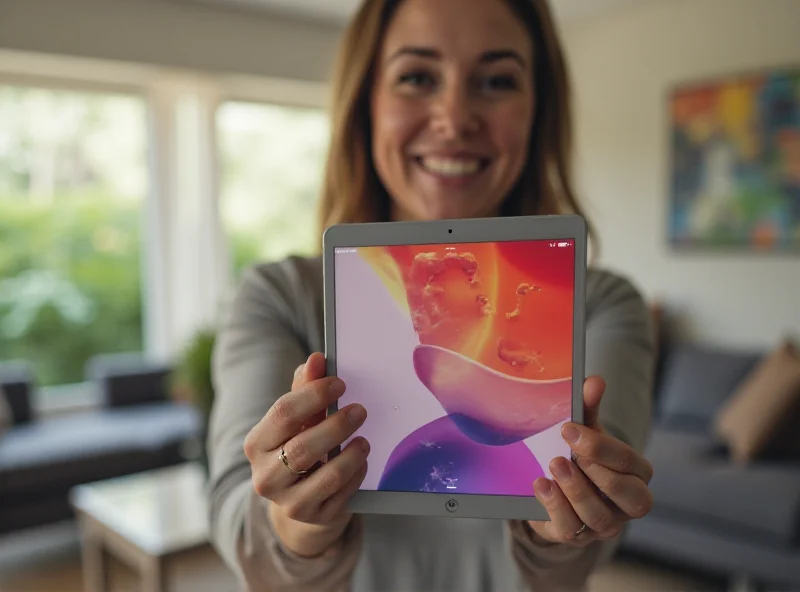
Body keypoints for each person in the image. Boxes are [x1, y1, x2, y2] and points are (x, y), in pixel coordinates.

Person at [207, 0, 656, 590]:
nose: (454, 116)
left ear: (537, 112)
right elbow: (237, 527)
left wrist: (570, 525)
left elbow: (584, 550)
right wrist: (294, 524)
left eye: (497, 81)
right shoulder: (278, 296)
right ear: (365, 103)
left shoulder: (604, 305)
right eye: (417, 77)